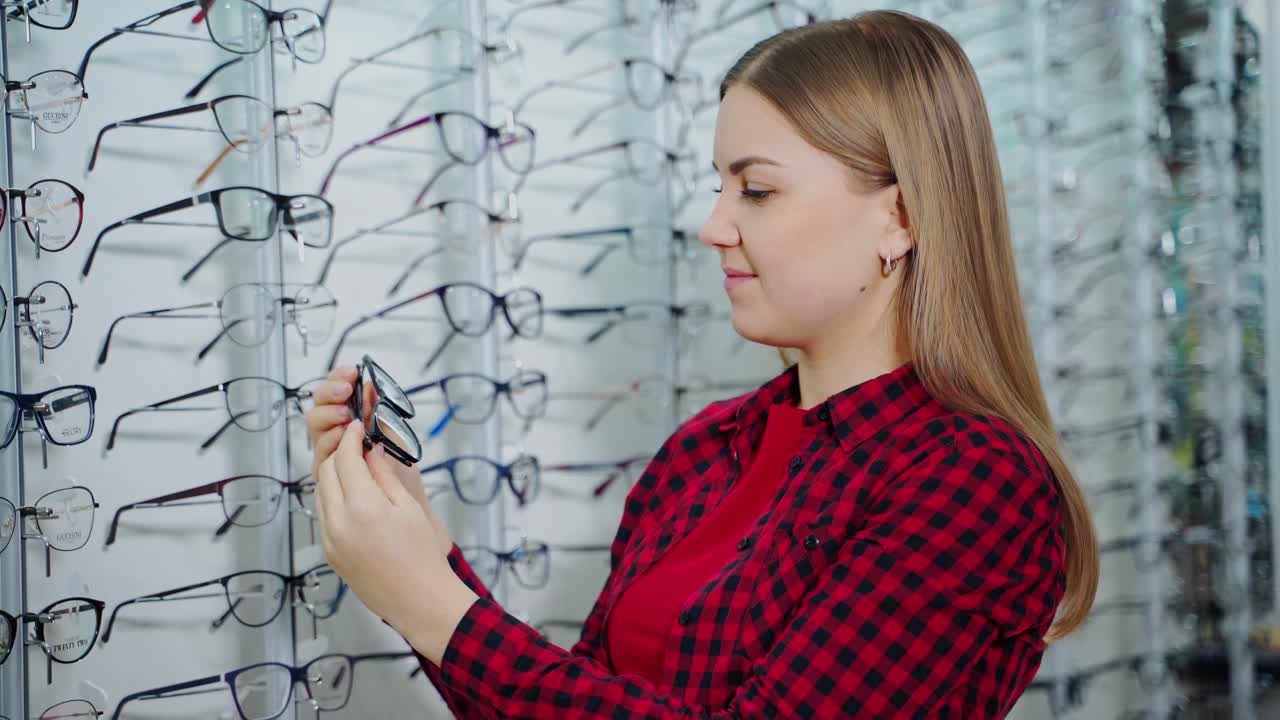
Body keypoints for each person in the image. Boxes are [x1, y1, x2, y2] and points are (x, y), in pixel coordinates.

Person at [306, 9, 1099, 718]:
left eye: (755, 190)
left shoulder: (975, 481)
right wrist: (412, 546)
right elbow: (575, 699)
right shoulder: (708, 449)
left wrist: (433, 604)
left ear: (899, 218)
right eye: (719, 186)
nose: (713, 226)